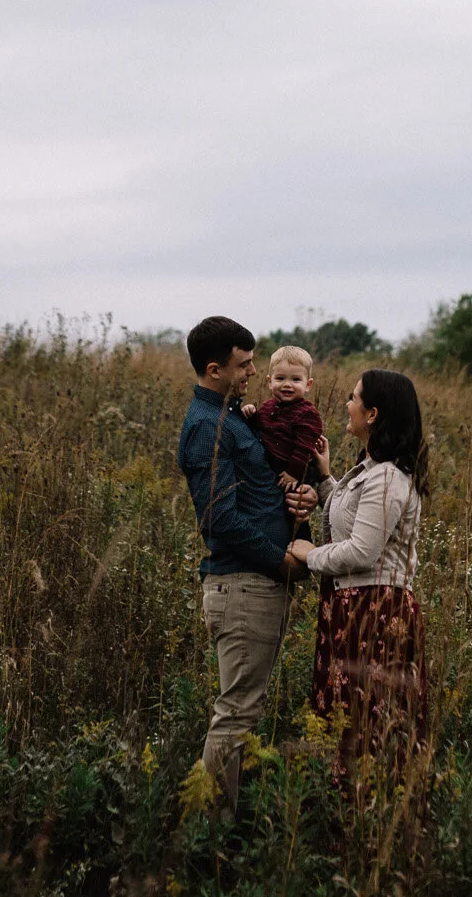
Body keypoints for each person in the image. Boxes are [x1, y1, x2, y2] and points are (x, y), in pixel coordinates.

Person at [178, 315, 316, 812]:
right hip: (242, 586)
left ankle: (219, 824)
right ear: (214, 369)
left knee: (243, 712)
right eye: (244, 365)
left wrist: (305, 497)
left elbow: (262, 490)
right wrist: (280, 560)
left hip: (258, 585)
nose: (255, 372)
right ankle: (205, 835)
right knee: (236, 715)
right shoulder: (204, 427)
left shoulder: (237, 417)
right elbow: (218, 518)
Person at [286, 368, 429, 787]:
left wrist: (312, 556)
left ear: (372, 414)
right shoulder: (371, 470)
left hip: (376, 614)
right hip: (351, 608)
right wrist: (326, 483)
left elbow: (364, 551)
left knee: (370, 720)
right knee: (345, 718)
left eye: (353, 398)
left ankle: (369, 816)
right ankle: (346, 815)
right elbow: (354, 524)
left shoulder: (388, 477)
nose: (346, 404)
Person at [240, 344, 329, 541]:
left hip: (291, 470)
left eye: (296, 379)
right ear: (270, 382)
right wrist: (250, 414)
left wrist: (293, 473)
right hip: (271, 466)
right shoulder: (268, 406)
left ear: (308, 384)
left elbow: (303, 447)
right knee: (274, 512)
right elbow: (259, 426)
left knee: (294, 511)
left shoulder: (307, 413)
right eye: (280, 379)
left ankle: (300, 545)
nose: (287, 384)